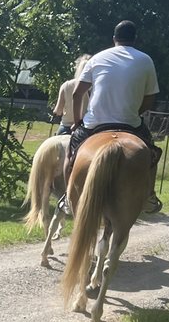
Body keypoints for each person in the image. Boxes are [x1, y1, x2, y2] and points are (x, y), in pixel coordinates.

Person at [62, 20, 163, 214]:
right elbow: (150, 98)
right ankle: (150, 196)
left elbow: (77, 93)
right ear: (135, 39)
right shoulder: (146, 60)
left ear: (114, 38)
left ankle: (68, 197)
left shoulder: (97, 58)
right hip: (130, 123)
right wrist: (135, 113)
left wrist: (77, 122)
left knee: (71, 152)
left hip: (95, 123)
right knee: (151, 153)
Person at [50, 55, 91, 135]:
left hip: (65, 127)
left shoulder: (66, 85)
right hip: (84, 128)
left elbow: (58, 111)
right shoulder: (92, 86)